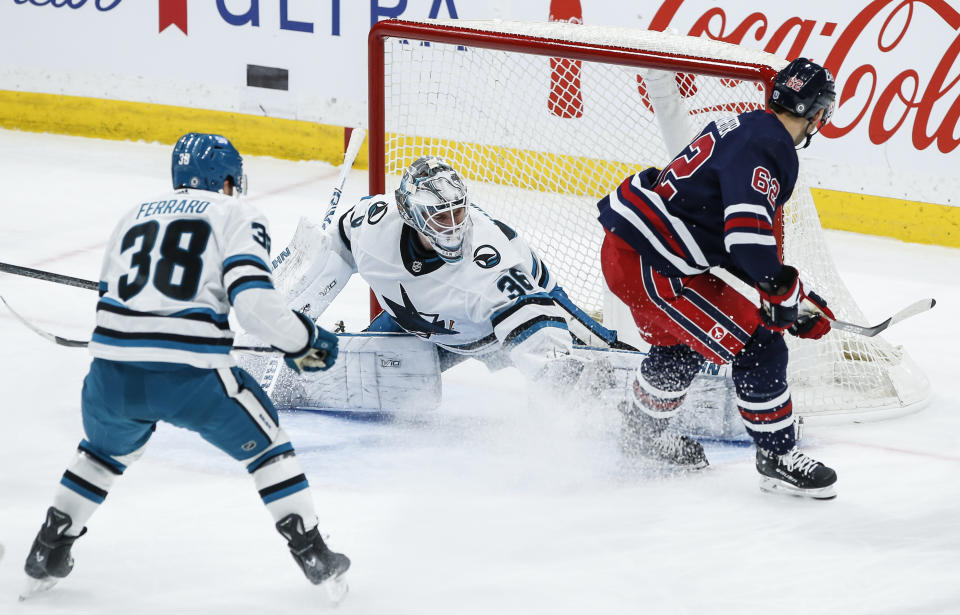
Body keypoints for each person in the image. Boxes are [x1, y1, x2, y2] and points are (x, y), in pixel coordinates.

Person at [22, 133, 350, 598]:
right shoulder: (236, 214)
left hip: (109, 375)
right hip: (191, 377)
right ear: (229, 180)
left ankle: (47, 547)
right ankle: (313, 552)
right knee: (268, 447)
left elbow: (108, 299)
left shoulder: (130, 216)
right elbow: (254, 305)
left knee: (101, 454)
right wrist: (304, 341)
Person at [597, 58, 839, 498]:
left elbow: (723, 237)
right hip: (659, 266)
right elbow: (745, 237)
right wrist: (782, 295)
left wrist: (792, 293)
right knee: (760, 343)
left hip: (632, 253)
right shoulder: (772, 148)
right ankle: (777, 457)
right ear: (818, 113)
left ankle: (640, 436)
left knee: (686, 342)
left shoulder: (745, 125)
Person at [277, 155, 623, 406]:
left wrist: (556, 379)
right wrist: (297, 317)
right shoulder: (374, 223)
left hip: (507, 321)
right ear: (409, 213)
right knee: (359, 378)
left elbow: (533, 319)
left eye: (458, 211)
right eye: (440, 217)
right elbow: (339, 248)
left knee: (602, 361)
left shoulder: (489, 264)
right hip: (421, 325)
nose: (454, 225)